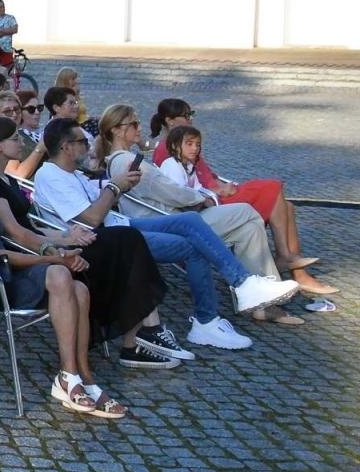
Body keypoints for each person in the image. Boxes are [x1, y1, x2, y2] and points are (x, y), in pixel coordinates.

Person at [31, 118, 298, 351]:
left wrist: (117, 185)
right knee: (192, 246)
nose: (88, 146)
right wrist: (115, 187)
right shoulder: (50, 176)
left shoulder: (70, 173)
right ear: (65, 147)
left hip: (120, 225)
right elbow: (91, 218)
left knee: (190, 221)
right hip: (107, 239)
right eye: (81, 141)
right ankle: (208, 320)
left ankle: (243, 284)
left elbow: (96, 196)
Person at [0, 134, 128, 418]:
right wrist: (56, 258)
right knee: (59, 273)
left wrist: (57, 245)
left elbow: (18, 234)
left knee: (80, 290)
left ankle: (83, 375)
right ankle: (69, 377)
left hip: (5, 272)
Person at [0, 116, 183, 371]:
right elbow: (18, 235)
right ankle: (142, 335)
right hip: (36, 256)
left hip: (52, 243)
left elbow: (32, 225)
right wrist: (60, 245)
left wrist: (66, 235)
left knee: (127, 245)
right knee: (127, 242)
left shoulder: (9, 180)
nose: (22, 143)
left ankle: (139, 337)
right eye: (15, 138)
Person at [96, 104, 295, 325]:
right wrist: (202, 198)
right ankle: (254, 291)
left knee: (248, 227)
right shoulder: (125, 161)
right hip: (168, 220)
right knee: (247, 212)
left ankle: (259, 300)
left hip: (172, 216)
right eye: (133, 123)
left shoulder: (126, 159)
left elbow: (166, 189)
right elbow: (170, 191)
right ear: (116, 130)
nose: (139, 127)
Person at [150, 98, 332, 297]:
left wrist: (221, 186)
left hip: (215, 193)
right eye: (186, 115)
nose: (191, 119)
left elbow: (203, 175)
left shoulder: (184, 140)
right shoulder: (167, 150)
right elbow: (180, 189)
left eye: (191, 114)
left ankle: (293, 265)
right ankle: (289, 262)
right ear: (170, 121)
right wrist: (217, 190)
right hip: (212, 201)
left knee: (287, 206)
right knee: (273, 187)